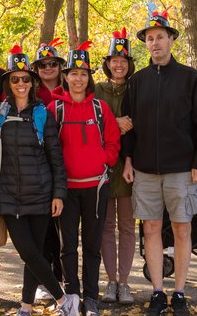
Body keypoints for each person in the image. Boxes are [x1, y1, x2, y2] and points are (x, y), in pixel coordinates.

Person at [122, 9, 197, 316]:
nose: (155, 43)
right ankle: (158, 291)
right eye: (150, 39)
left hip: (182, 169)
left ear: (171, 39)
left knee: (183, 229)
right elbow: (129, 126)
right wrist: (129, 161)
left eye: (160, 37)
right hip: (145, 170)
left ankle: (181, 292)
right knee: (151, 229)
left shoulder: (190, 78)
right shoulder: (137, 82)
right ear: (145, 44)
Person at [0, 45, 79, 316]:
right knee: (28, 252)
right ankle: (63, 299)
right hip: (9, 195)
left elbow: (56, 157)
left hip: (41, 194)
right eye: (15, 79)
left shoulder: (43, 113)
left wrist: (58, 194)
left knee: (36, 254)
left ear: (32, 82)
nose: (21, 83)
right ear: (8, 82)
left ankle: (26, 306)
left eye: (25, 79)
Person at [48, 42, 121, 316]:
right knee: (67, 246)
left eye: (83, 73)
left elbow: (113, 141)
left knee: (92, 245)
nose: (78, 78)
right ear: (65, 76)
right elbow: (48, 147)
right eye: (73, 73)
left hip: (96, 188)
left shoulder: (100, 108)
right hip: (65, 190)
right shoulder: (55, 108)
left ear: (89, 77)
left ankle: (91, 296)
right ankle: (72, 294)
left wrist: (105, 159)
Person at [95, 28, 136, 305]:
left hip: (130, 164)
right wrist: (115, 122)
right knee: (107, 225)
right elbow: (89, 119)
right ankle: (110, 281)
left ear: (129, 63)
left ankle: (125, 282)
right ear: (107, 63)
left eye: (123, 60)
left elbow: (144, 120)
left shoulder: (138, 87)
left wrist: (128, 123)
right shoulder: (96, 89)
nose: (118, 64)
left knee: (129, 226)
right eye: (113, 60)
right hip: (103, 164)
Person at [30, 37, 67, 301]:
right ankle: (48, 278)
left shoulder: (74, 87)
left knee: (65, 227)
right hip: (40, 166)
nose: (48, 68)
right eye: (42, 65)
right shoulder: (31, 95)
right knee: (44, 228)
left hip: (71, 162)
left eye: (53, 63)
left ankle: (67, 276)